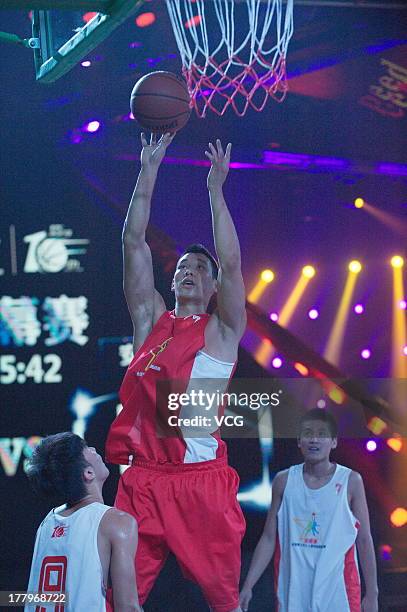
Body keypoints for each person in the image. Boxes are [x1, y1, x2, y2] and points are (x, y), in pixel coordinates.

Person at [105, 133, 247, 612]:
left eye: (199, 268)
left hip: (200, 482)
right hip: (141, 480)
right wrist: (148, 170)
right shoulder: (150, 320)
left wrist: (216, 189)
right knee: (116, 598)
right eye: (182, 266)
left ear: (213, 287)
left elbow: (230, 260)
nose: (189, 270)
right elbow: (132, 240)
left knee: (223, 601)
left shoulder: (223, 330)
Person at [239, 408, 379, 612]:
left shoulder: (350, 481)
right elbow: (269, 538)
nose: (314, 440)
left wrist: (372, 594)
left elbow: (364, 539)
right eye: (308, 434)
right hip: (292, 594)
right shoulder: (283, 481)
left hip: (338, 595)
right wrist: (248, 586)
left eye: (321, 435)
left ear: (334, 442)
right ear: (299, 441)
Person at [25, 432, 141, 612]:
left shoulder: (46, 524)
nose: (94, 449)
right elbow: (128, 607)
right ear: (88, 473)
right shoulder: (116, 522)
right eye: (87, 449)